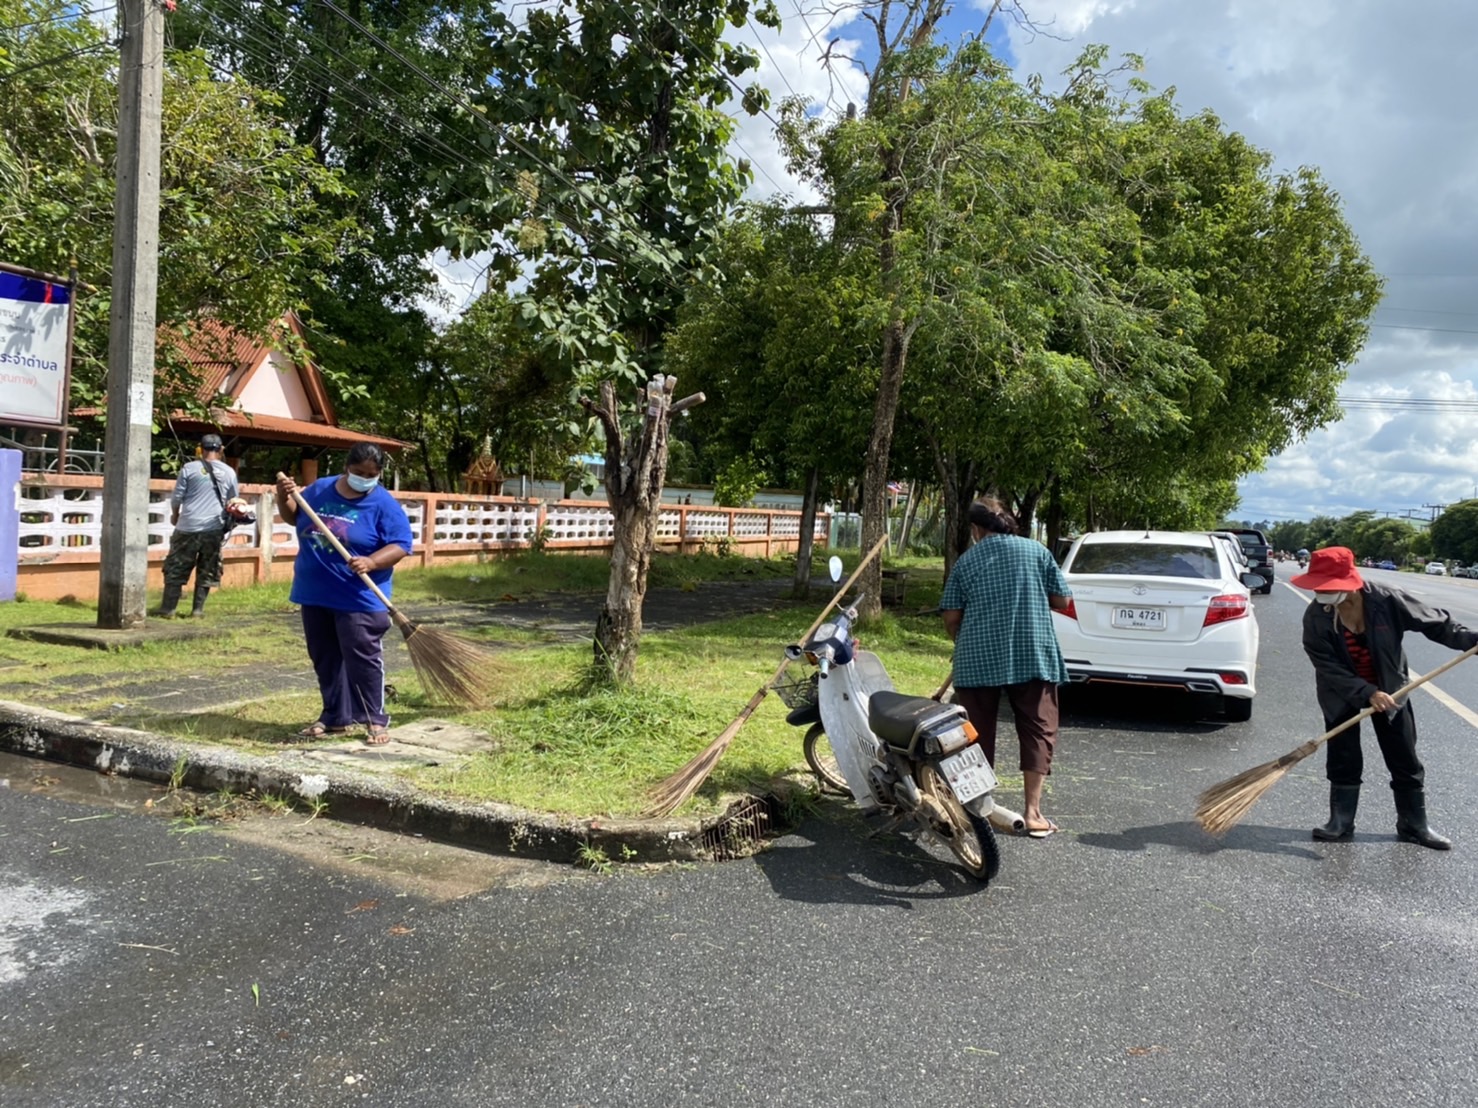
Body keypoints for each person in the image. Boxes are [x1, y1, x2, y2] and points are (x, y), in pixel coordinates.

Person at [1291, 545, 1475, 849]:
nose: (1321, 592)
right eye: (1318, 586)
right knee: (1344, 755)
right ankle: (1341, 821)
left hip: (1391, 688)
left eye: (1327, 586)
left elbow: (1436, 624)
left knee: (1404, 756)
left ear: (1348, 584)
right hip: (1342, 692)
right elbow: (1326, 665)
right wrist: (1366, 692)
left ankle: (1413, 824)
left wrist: (1470, 640)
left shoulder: (1386, 600)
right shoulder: (1317, 616)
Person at [940, 498, 1073, 837]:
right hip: (1032, 651)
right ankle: (1033, 813)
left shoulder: (966, 562)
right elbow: (1062, 600)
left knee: (974, 732)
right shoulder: (1037, 552)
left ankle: (977, 810)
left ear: (975, 529)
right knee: (1037, 726)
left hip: (978, 656)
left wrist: (964, 634)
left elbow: (952, 617)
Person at [275, 443, 413, 745]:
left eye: (371, 474)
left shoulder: (383, 504)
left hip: (359, 598)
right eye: (359, 472)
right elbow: (293, 516)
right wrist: (282, 495)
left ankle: (374, 719)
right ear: (345, 467)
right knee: (325, 658)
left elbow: (401, 543)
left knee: (362, 658)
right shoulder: (320, 489)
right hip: (314, 593)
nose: (364, 478)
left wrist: (372, 561)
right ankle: (335, 717)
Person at [159, 433, 238, 619]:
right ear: (221, 449)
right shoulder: (229, 472)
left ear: (200, 448)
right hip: (213, 528)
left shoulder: (189, 468)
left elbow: (177, 497)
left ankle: (168, 610)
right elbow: (234, 501)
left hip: (187, 527)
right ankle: (197, 611)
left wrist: (175, 516)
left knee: (176, 566)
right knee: (208, 568)